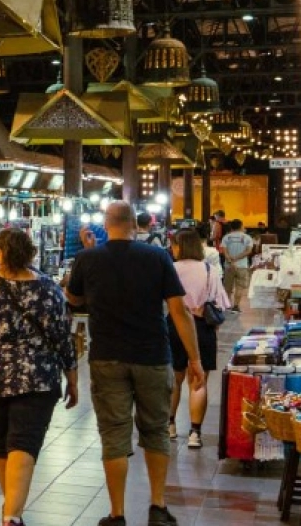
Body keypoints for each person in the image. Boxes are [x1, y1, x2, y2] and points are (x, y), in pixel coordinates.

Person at [66, 201, 204, 526]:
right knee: (155, 430)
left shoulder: (88, 258)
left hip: (106, 358)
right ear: (134, 224)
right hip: (152, 356)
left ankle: (117, 513)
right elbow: (179, 310)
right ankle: (157, 506)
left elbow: (73, 299)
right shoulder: (156, 257)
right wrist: (195, 359)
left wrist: (88, 254)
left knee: (114, 434)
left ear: (105, 223)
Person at [0, 229, 79, 526]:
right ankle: (12, 515)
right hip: (39, 379)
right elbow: (64, 338)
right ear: (30, 254)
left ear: (0, 252)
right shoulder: (49, 288)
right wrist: (72, 379)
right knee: (23, 443)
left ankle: (12, 512)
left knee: (2, 443)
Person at [168, 231, 229, 450]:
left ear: (179, 247)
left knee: (173, 380)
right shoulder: (209, 270)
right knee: (198, 381)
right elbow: (220, 304)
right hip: (202, 327)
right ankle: (195, 433)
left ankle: (170, 425)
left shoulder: (171, 269)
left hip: (173, 326)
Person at [219, 220, 256, 312]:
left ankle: (226, 305)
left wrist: (231, 261)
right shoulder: (247, 237)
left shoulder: (226, 237)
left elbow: (224, 251)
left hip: (229, 266)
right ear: (241, 226)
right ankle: (236, 306)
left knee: (227, 287)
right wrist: (237, 258)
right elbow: (248, 251)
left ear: (231, 227)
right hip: (242, 266)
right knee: (239, 287)